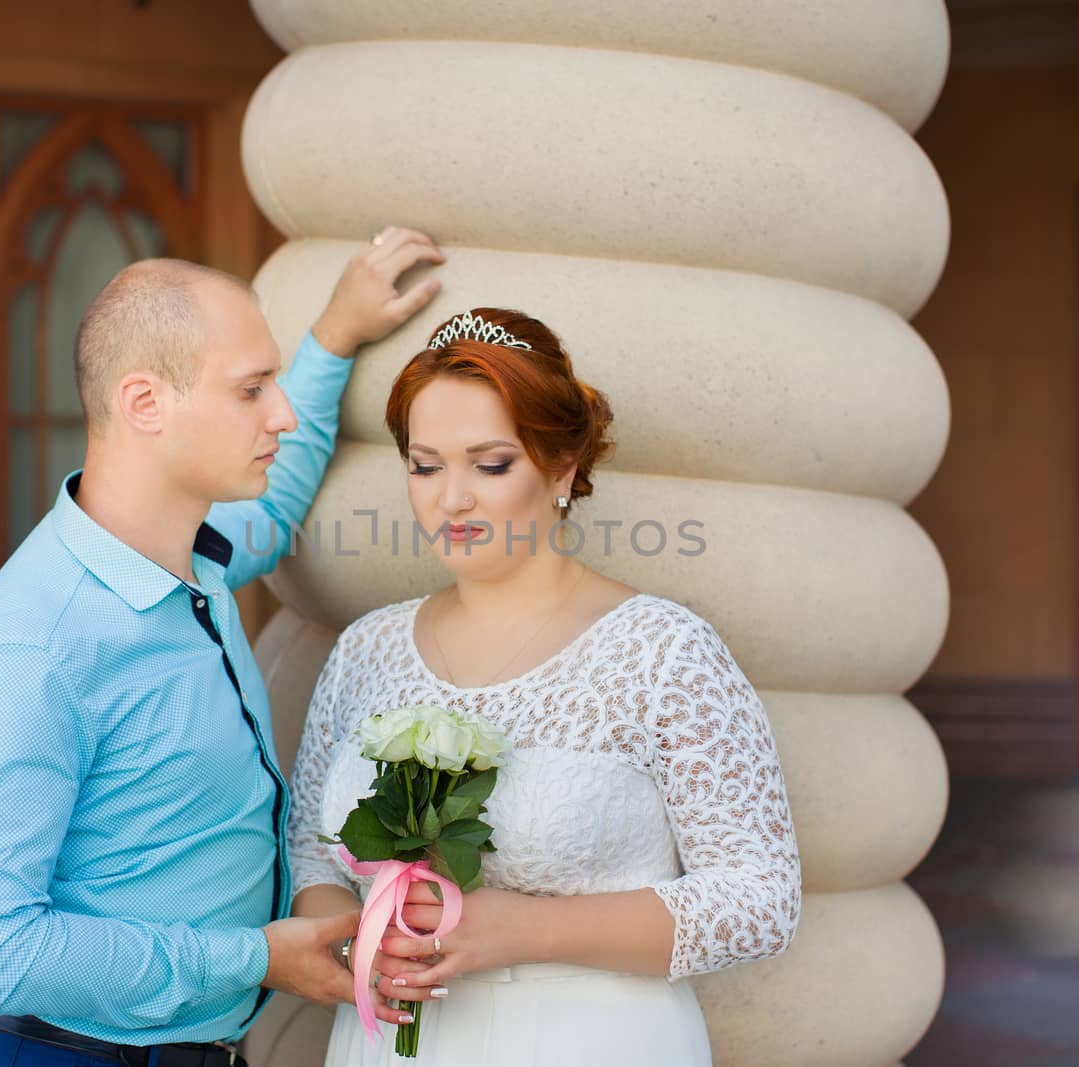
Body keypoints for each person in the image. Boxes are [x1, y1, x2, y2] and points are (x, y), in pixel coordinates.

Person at [0, 229, 445, 1067]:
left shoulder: (190, 553)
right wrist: (259, 958)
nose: (278, 412)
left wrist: (335, 337)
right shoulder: (29, 653)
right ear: (143, 404)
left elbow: (268, 518)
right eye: (251, 389)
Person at [287, 308, 803, 1066]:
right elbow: (311, 853)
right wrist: (362, 936)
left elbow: (761, 900)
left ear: (561, 469)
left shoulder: (663, 651)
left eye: (490, 464)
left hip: (593, 1040)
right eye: (425, 465)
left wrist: (521, 927)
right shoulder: (364, 648)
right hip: (385, 1045)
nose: (450, 498)